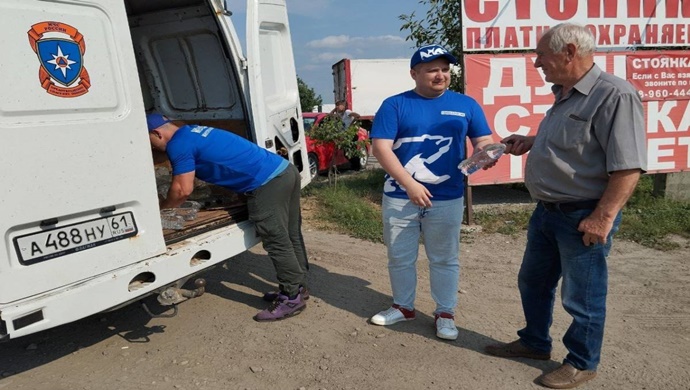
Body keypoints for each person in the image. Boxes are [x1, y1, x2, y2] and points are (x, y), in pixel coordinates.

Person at [484, 23, 647, 389]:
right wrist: (530, 140)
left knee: (582, 295)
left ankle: (582, 362)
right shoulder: (565, 93)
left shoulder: (613, 95)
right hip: (548, 212)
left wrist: (602, 217)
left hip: (583, 215)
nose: (537, 61)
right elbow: (576, 143)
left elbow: (628, 166)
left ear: (570, 52)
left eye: (542, 54)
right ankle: (534, 342)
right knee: (533, 281)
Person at [368, 44, 496, 341]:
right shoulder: (395, 105)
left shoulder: (466, 105)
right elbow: (381, 148)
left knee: (444, 258)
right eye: (432, 70)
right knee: (400, 256)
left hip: (447, 196)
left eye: (444, 69)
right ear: (414, 74)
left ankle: (445, 313)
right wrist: (409, 184)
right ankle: (403, 307)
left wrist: (487, 153)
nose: (440, 75)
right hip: (400, 196)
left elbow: (483, 140)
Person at [146, 113, 310, 322]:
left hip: (266, 182)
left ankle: (291, 297)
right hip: (284, 171)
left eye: (149, 142)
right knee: (290, 232)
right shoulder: (191, 131)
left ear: (156, 133)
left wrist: (162, 209)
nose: (151, 148)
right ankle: (299, 286)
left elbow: (182, 190)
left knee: (276, 239)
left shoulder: (178, 144)